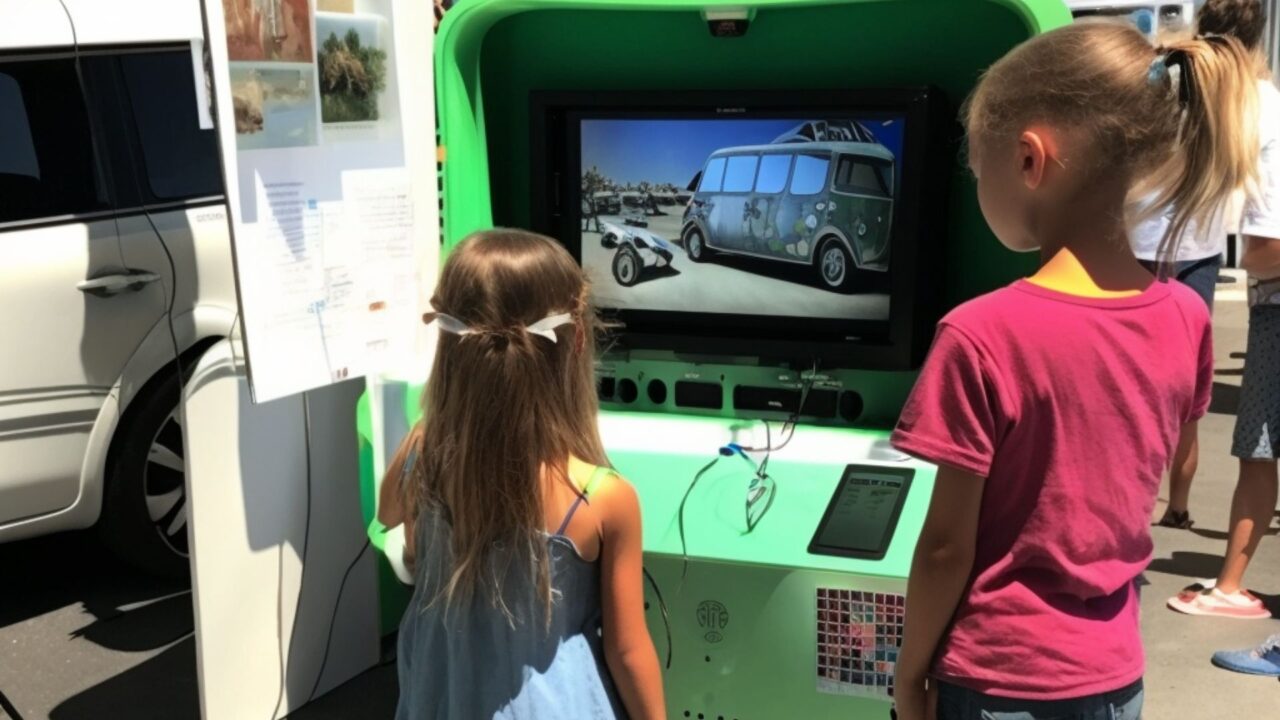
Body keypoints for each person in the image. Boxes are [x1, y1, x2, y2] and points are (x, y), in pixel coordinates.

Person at [889, 22, 1259, 720]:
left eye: (978, 168)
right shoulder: (1186, 317)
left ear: (1030, 159)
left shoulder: (981, 334)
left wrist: (909, 673)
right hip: (1114, 676)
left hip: (997, 679)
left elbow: (944, 548)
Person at [377, 230, 666, 720]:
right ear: (575, 343)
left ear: (451, 348)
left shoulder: (424, 450)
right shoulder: (602, 498)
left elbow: (388, 513)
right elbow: (627, 651)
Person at [1166, 0, 1280, 621]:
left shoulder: (1239, 103)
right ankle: (1224, 574)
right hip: (1229, 278)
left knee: (1256, 445)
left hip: (1266, 302)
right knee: (1205, 414)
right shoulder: (1261, 102)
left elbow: (1268, 248)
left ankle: (1230, 586)